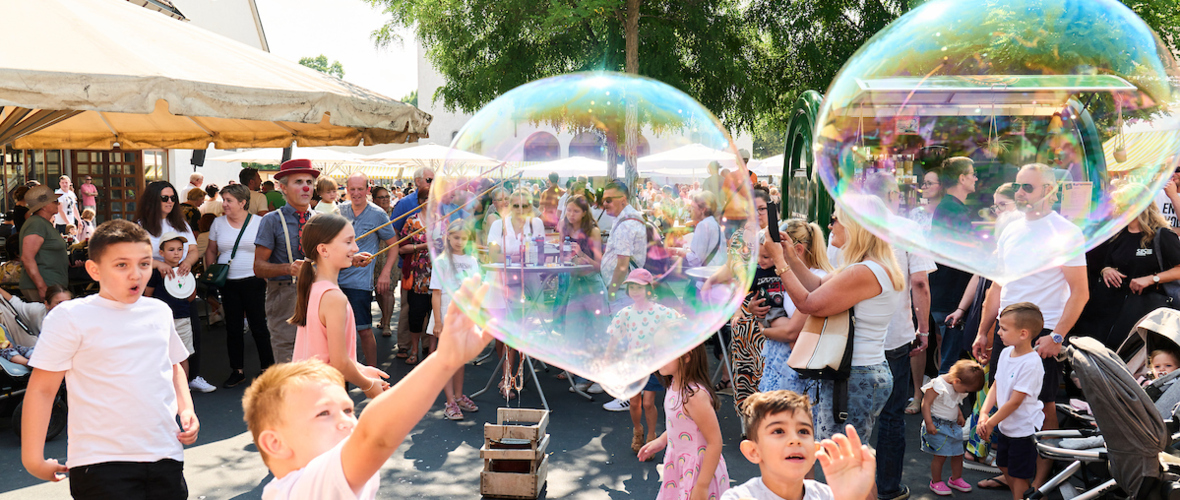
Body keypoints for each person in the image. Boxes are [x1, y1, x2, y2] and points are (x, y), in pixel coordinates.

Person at [240, 276, 492, 499]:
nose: (347, 422)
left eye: (348, 411)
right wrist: (443, 362)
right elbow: (375, 436)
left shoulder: (333, 478)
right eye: (323, 413)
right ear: (276, 443)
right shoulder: (303, 488)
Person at [21, 220, 198, 496]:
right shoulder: (69, 317)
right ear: (94, 270)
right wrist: (32, 458)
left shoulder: (159, 311)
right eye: (121, 265)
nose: (136, 274)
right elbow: (43, 390)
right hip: (100, 463)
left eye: (143, 264)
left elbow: (173, 366)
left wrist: (186, 409)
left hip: (165, 455)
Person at [971, 163, 1088, 489]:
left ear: (1049, 191)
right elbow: (997, 285)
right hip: (1007, 329)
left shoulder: (1065, 232)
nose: (1020, 193)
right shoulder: (1010, 227)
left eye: (1028, 188)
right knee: (1003, 392)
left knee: (1042, 405)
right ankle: (1013, 476)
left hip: (1041, 333)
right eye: (1018, 186)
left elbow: (1080, 292)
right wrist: (984, 330)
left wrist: (1057, 336)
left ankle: (1037, 484)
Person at [762, 204, 904, 441]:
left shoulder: (864, 271)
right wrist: (789, 256)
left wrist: (779, 261)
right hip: (858, 371)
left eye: (836, 219)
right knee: (847, 457)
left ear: (855, 226)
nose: (830, 226)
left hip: (854, 375)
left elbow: (808, 304)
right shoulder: (865, 266)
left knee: (842, 461)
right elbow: (817, 287)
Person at [862, 173, 936, 500]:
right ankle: (888, 487)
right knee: (891, 415)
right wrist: (924, 330)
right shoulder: (907, 229)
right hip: (895, 335)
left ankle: (853, 486)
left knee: (856, 413)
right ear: (892, 195)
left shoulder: (853, 227)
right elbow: (919, 283)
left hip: (859, 335)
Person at [289, 213, 389, 399]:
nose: (356, 247)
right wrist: (368, 386)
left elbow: (325, 353)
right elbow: (339, 363)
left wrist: (361, 369)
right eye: (348, 242)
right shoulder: (334, 297)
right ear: (323, 250)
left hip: (309, 392)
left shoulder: (314, 286)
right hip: (325, 396)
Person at [724, 391, 878, 500]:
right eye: (778, 431)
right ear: (753, 451)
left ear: (815, 450)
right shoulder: (738, 497)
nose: (795, 439)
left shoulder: (829, 495)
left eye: (803, 431)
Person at [637, 344, 730, 499]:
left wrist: (702, 486)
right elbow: (684, 424)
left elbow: (715, 442)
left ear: (687, 356)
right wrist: (662, 440)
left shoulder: (694, 396)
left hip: (699, 471)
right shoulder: (674, 384)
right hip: (679, 466)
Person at [206, 184, 274, 388]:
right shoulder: (218, 223)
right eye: (223, 200)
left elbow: (270, 248)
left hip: (254, 280)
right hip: (228, 282)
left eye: (228, 200)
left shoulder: (260, 222)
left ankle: (267, 369)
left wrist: (267, 274)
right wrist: (211, 272)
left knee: (259, 326)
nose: (224, 204)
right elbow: (211, 250)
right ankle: (237, 370)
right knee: (233, 328)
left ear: (242, 203)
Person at [977, 303, 1046, 500]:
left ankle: (1022, 496)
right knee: (1004, 465)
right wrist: (984, 412)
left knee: (1018, 474)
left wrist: (990, 422)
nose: (998, 332)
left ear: (1023, 333)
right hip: (1007, 425)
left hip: (1024, 429)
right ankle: (1027, 495)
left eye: (1004, 329)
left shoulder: (1031, 363)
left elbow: (1015, 402)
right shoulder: (1007, 353)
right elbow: (996, 385)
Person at [255, 159, 320, 364]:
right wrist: (288, 268)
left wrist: (351, 259)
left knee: (317, 357)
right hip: (284, 295)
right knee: (288, 361)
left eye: (309, 181)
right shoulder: (271, 220)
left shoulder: (320, 219)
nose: (306, 187)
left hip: (318, 294)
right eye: (298, 181)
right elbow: (258, 267)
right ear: (283, 187)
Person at [608, 269, 680, 453]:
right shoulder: (625, 313)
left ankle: (651, 435)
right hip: (633, 365)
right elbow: (614, 337)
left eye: (639, 287)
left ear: (648, 288)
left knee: (648, 403)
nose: (634, 290)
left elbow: (679, 322)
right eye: (631, 286)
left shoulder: (660, 312)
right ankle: (638, 429)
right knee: (634, 403)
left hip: (654, 365)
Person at [759, 220, 834, 394]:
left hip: (799, 370)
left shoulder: (817, 279)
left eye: (777, 252)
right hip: (785, 362)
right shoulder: (791, 276)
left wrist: (763, 329)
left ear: (797, 250)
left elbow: (792, 332)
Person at [1099, 199, 1180, 350]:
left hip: (1150, 309)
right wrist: (1107, 270)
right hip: (1116, 309)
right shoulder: (1117, 234)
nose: (1116, 210)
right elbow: (1106, 262)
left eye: (1121, 205)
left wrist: (1151, 279)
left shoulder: (1162, 234)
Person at [486, 189, 544, 396]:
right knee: (503, 334)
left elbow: (538, 253)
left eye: (525, 206)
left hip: (527, 284)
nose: (520, 210)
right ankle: (507, 377)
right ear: (510, 206)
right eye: (516, 205)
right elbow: (493, 253)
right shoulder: (498, 224)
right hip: (500, 283)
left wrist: (511, 256)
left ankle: (510, 377)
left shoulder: (536, 223)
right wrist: (518, 257)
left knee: (518, 332)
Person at [337, 173, 398, 367]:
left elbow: (393, 245)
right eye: (352, 189)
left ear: (367, 190)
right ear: (347, 190)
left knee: (363, 329)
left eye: (360, 189)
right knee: (336, 331)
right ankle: (340, 371)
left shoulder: (378, 214)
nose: (356, 193)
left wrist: (386, 272)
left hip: (359, 283)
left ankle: (374, 375)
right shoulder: (338, 211)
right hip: (334, 281)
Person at [428, 220, 480, 420]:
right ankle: (449, 402)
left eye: (464, 238)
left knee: (460, 359)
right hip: (447, 314)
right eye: (456, 237)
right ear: (448, 237)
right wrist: (438, 322)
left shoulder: (472, 260)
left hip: (465, 314)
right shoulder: (441, 261)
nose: (459, 242)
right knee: (448, 360)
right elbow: (436, 293)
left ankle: (458, 397)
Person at [145, 232, 203, 390]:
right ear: (161, 253)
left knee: (183, 354)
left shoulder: (186, 271)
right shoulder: (157, 272)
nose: (176, 253)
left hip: (183, 318)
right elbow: (148, 295)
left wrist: (185, 285)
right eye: (171, 249)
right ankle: (164, 387)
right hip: (162, 321)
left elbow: (191, 296)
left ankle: (183, 388)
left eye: (179, 249)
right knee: (161, 354)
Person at [920, 359, 985, 496]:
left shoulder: (956, 385)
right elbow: (925, 404)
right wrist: (929, 423)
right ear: (957, 381)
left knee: (957, 454)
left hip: (953, 425)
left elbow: (954, 402)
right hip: (938, 425)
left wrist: (959, 415)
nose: (966, 393)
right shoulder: (938, 385)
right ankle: (936, 481)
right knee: (941, 456)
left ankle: (956, 478)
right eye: (967, 390)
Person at [390, 168, 433, 360]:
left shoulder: (443, 221)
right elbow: (395, 234)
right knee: (412, 312)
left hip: (436, 275)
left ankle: (429, 350)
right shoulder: (407, 211)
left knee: (434, 315)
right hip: (415, 274)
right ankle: (407, 347)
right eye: (429, 179)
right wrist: (424, 245)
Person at [601, 181, 647, 313]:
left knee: (622, 331)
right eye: (603, 200)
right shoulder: (625, 218)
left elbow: (622, 266)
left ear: (623, 200)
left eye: (609, 200)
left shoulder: (625, 224)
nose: (604, 204)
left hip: (623, 293)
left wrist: (611, 292)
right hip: (628, 290)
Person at [19, 185, 69, 302]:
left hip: (51, 285)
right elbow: (27, 258)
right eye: (55, 201)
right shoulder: (37, 223)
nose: (58, 203)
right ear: (44, 206)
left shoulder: (43, 223)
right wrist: (42, 287)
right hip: (44, 286)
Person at [370, 186, 399, 336]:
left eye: (387, 196)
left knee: (388, 289)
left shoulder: (395, 213)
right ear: (374, 200)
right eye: (381, 197)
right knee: (378, 290)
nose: (385, 199)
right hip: (374, 255)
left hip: (390, 255)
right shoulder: (371, 214)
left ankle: (387, 323)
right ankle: (384, 316)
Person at [672, 191, 726, 268]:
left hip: (706, 274)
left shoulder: (703, 225)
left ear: (703, 210)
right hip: (715, 272)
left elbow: (696, 259)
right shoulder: (715, 224)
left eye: (693, 207)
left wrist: (677, 252)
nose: (690, 210)